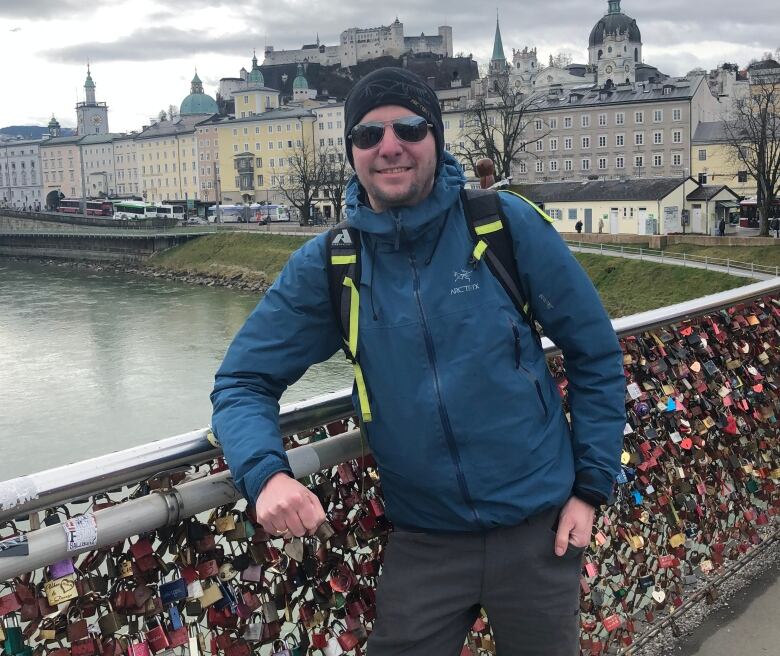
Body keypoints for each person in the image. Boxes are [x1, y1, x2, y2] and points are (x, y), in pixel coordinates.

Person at [211, 67, 625, 656]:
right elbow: (241, 382)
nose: (389, 146)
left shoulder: (502, 224)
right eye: (368, 134)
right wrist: (267, 474)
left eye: (408, 127)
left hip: (540, 531)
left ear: (436, 137)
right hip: (426, 540)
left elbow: (595, 354)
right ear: (351, 151)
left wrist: (590, 489)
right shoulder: (332, 265)